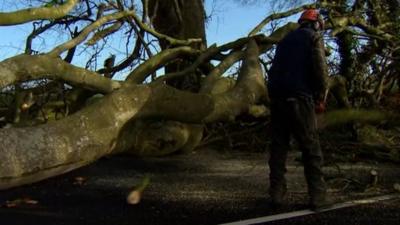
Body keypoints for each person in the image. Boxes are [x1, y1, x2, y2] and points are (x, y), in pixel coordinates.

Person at [267, 9, 329, 210]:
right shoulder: (314, 37)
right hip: (300, 98)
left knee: (278, 147)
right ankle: (318, 197)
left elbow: (273, 71)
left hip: (277, 99)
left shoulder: (284, 41)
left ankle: (276, 193)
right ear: (317, 23)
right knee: (311, 148)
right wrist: (321, 96)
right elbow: (320, 70)